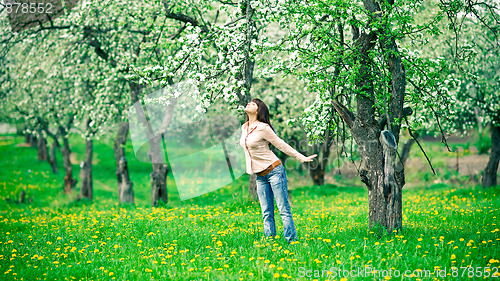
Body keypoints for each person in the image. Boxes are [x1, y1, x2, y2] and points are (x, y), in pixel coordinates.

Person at [239, 98, 317, 243]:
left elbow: (281, 144)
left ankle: (291, 241)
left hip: (274, 171)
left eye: (254, 103)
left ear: (259, 110)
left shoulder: (263, 128)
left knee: (283, 209)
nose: (249, 103)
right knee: (266, 212)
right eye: (249, 102)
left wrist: (301, 157)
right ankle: (271, 243)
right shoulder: (245, 127)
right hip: (260, 176)